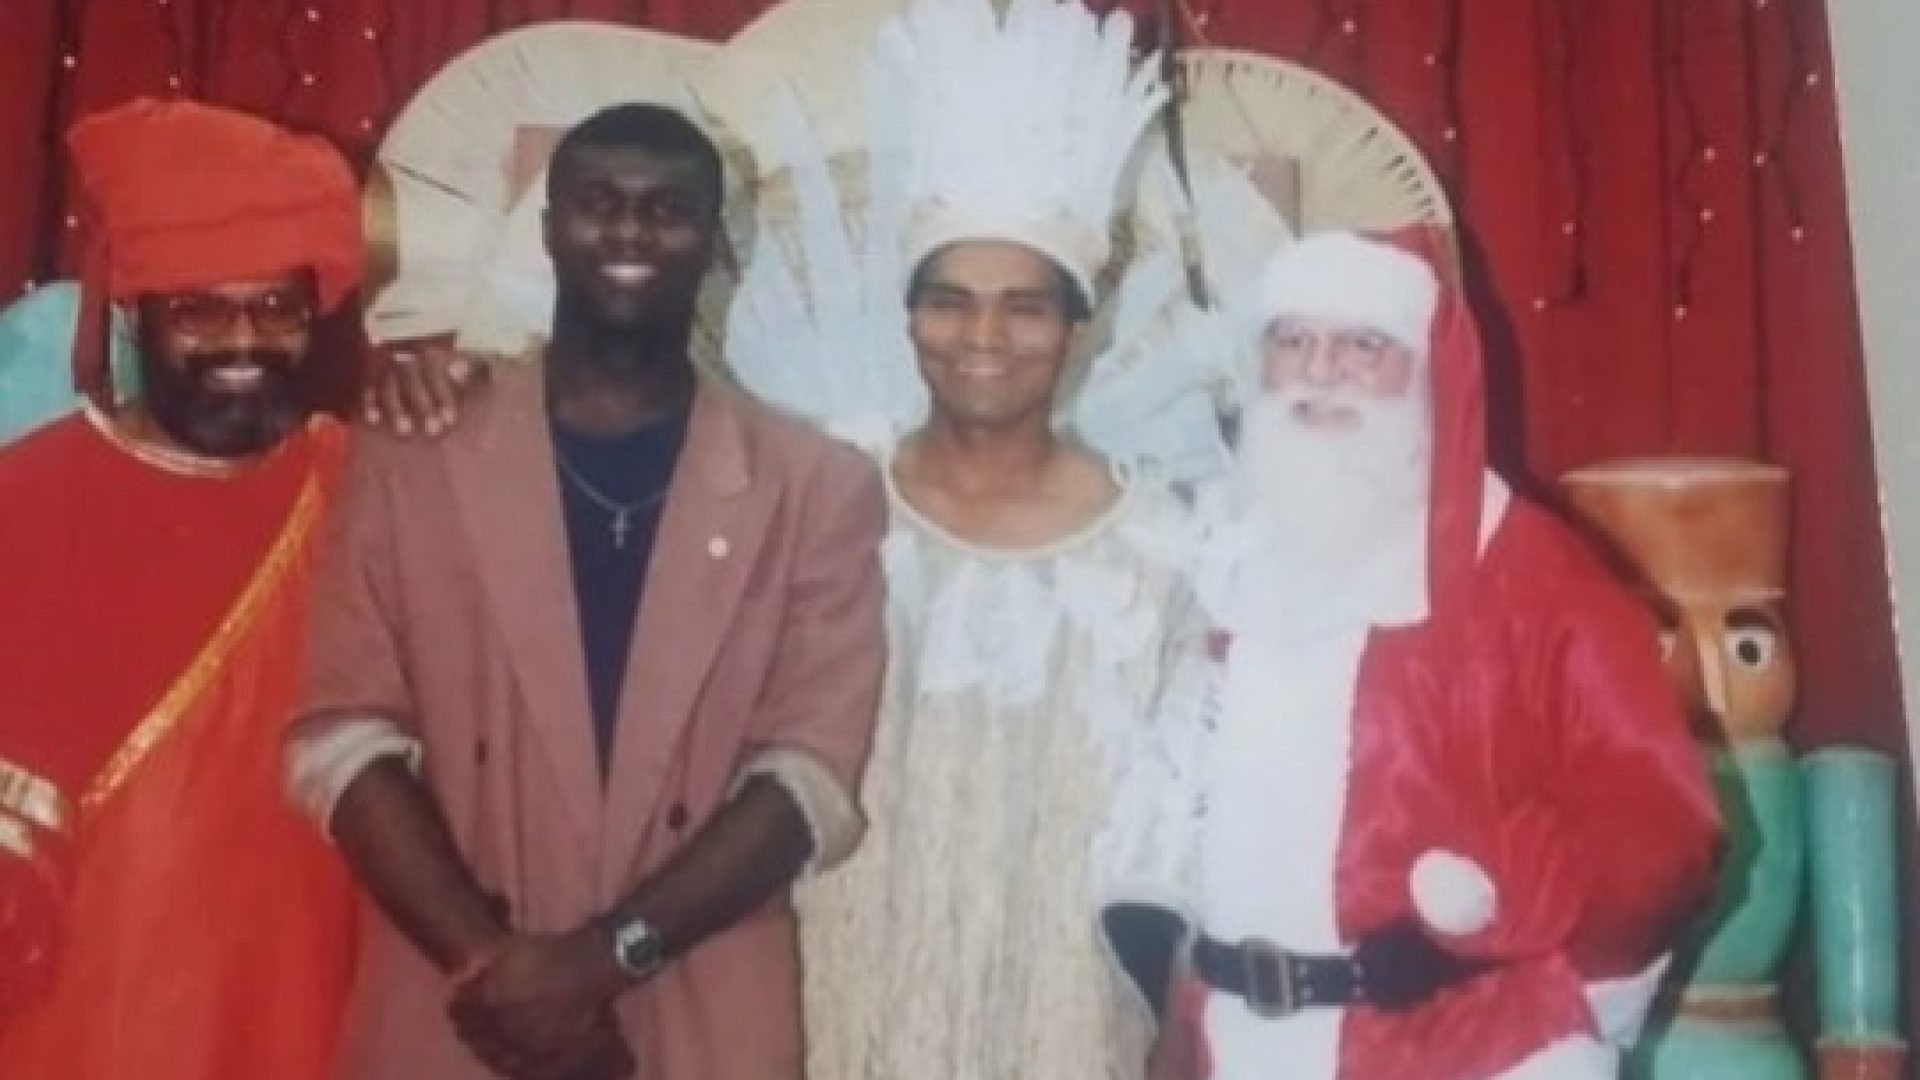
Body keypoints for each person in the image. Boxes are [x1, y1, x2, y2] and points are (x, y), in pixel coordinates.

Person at [284, 103, 887, 1080]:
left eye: (668, 210)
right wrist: (504, 981)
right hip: (458, 1004)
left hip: (693, 1003)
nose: (630, 232)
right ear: (550, 227)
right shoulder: (412, 453)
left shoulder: (815, 488)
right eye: (599, 203)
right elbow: (342, 740)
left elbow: (805, 777)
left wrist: (599, 965)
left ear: (716, 241)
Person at [715, 2, 1210, 1077]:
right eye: (950, 301)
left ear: (1078, 324)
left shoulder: (1163, 554)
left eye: (1025, 307)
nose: (983, 337)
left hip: (1068, 1028)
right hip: (836, 1010)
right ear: (907, 313)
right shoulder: (825, 502)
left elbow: (1187, 843)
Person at [1120, 230, 1720, 1079]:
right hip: (1232, 1049)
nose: (1320, 371)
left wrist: (1506, 911)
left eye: (1362, 346)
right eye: (1293, 341)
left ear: (1425, 371)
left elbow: (1658, 828)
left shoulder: (1523, 569)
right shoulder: (1208, 555)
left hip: (1466, 1052)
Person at [0, 97, 362, 1078]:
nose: (242, 343)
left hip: (305, 998)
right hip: (80, 1011)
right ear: (136, 313)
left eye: (276, 309)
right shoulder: (24, 496)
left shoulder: (359, 486)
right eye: (199, 311)